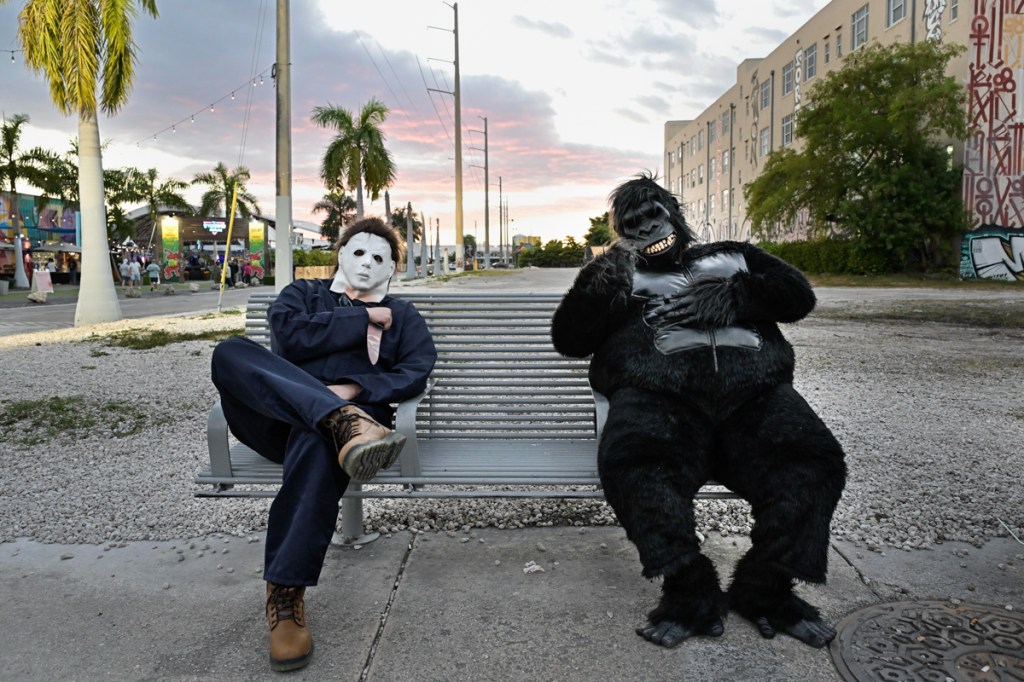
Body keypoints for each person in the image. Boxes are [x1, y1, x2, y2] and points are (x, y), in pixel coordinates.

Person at [210, 217, 437, 672]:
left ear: (392, 268)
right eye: (359, 252)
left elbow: (416, 369)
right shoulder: (303, 295)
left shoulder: (403, 315)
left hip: (352, 433)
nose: (367, 263)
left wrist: (353, 390)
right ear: (340, 255)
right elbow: (288, 336)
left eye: (379, 257)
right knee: (229, 351)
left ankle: (285, 594)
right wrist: (362, 318)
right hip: (278, 419)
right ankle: (336, 418)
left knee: (318, 442)